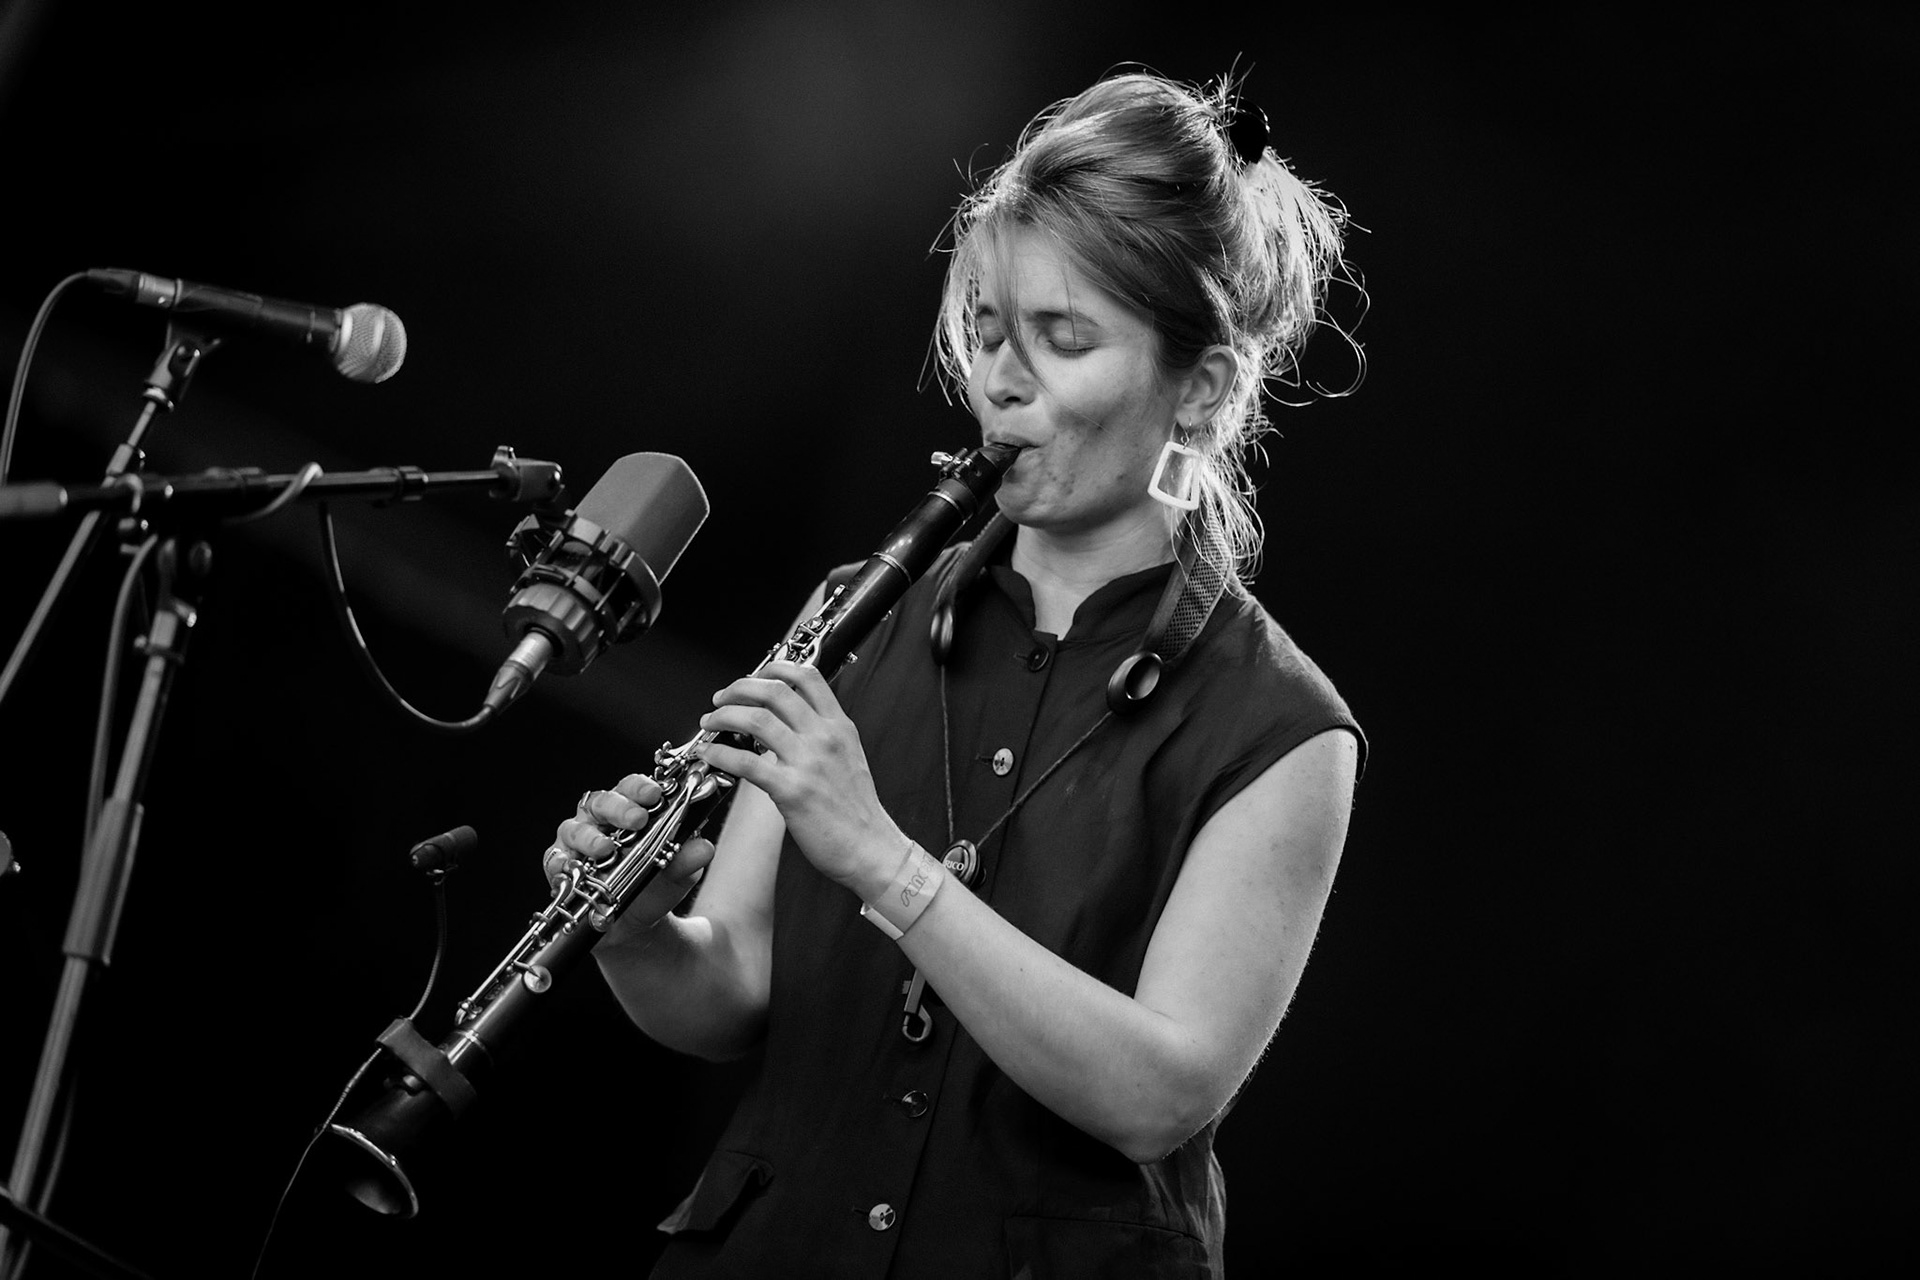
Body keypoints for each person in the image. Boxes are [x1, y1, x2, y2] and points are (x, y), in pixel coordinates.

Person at [546, 67, 1366, 1278]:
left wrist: (876, 852)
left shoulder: (1283, 728)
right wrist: (631, 932)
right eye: (988, 331)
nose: (1002, 381)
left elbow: (1160, 1093)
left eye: (1063, 338)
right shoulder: (853, 611)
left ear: (1198, 385)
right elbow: (729, 990)